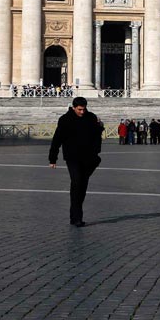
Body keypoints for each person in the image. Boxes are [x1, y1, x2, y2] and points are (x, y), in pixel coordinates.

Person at [48, 96, 104, 227]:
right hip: (72, 157)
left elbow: (97, 135)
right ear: (73, 107)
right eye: (79, 110)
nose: (82, 112)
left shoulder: (91, 117)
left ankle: (75, 216)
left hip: (88, 157)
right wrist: (53, 158)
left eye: (84, 109)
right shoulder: (65, 120)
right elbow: (57, 139)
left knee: (82, 186)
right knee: (77, 182)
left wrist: (100, 128)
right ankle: (77, 217)